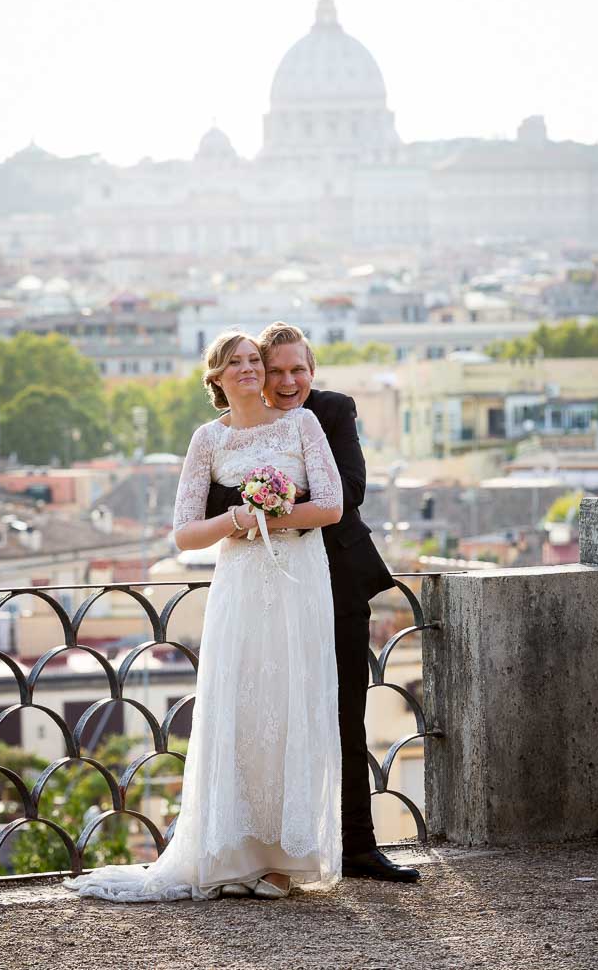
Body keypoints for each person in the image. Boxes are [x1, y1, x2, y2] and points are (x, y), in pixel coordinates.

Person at [64, 331, 344, 901]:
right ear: (214, 377)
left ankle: (285, 860)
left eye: (253, 361)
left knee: (292, 702)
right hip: (240, 582)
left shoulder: (302, 425)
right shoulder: (206, 440)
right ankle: (232, 852)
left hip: (297, 577)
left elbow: (333, 504)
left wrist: (278, 512)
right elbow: (185, 532)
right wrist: (239, 519)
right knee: (240, 706)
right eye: (234, 362)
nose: (248, 369)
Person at [205, 323, 419, 884]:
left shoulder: (329, 411)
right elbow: (213, 500)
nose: (286, 380)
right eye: (274, 370)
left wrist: (276, 495)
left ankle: (358, 846)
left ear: (312, 371)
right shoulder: (231, 427)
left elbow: (349, 491)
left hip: (339, 578)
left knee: (343, 715)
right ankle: (267, 849)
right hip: (267, 591)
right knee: (267, 717)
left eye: (297, 369)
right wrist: (256, 494)